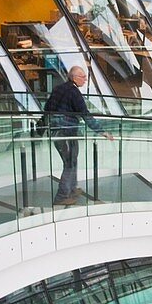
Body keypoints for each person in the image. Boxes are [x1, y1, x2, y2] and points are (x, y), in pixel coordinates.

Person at [40, 65, 113, 206]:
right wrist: (101, 131)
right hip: (67, 132)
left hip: (57, 132)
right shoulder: (74, 93)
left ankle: (72, 189)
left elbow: (47, 108)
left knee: (72, 161)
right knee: (69, 163)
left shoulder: (58, 89)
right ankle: (61, 197)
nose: (85, 80)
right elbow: (86, 115)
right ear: (74, 77)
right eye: (83, 77)